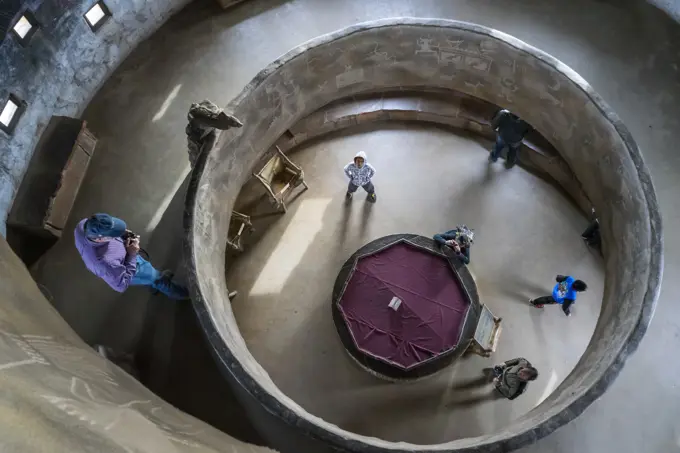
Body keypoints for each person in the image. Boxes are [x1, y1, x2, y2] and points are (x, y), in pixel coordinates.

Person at [74, 213, 189, 300]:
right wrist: (132, 254)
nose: (120, 232)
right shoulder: (105, 264)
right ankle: (182, 294)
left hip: (124, 255)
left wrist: (122, 234)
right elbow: (121, 285)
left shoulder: (83, 225)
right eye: (113, 234)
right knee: (155, 277)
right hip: (130, 268)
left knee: (148, 279)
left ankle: (151, 284)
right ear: (100, 239)